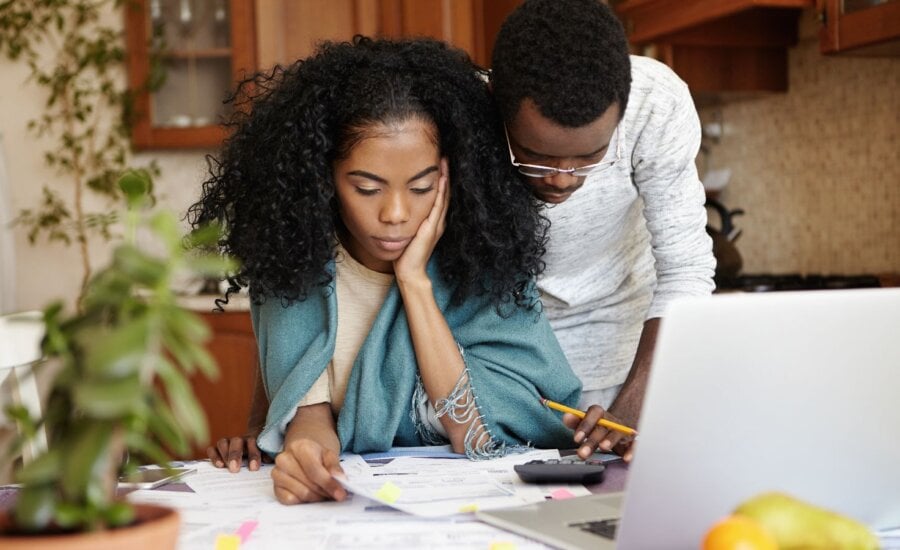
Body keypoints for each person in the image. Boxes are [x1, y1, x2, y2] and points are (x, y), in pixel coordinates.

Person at [188, 36, 583, 504]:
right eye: (366, 187)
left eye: (421, 187)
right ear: (324, 176)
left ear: (454, 177)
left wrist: (414, 282)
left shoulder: (484, 263)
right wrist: (306, 459)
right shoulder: (295, 261)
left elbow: (477, 434)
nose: (395, 213)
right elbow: (309, 413)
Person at [490, 0, 716, 460]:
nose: (562, 178)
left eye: (590, 156)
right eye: (537, 156)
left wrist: (638, 400)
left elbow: (686, 270)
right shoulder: (466, 111)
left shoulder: (654, 105)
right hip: (499, 350)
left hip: (625, 346)